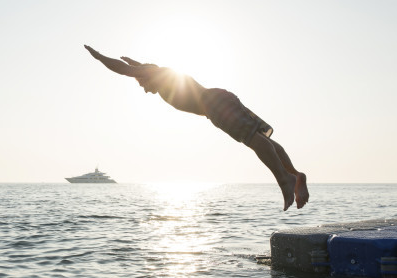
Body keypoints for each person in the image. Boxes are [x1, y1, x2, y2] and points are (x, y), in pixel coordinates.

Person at [84, 45, 309, 211]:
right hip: (219, 98)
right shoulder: (162, 74)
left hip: (213, 105)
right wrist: (135, 63)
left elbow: (124, 69)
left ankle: (284, 180)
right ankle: (296, 175)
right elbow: (138, 68)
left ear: (145, 74)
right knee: (261, 138)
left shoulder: (157, 75)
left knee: (252, 139)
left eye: (141, 82)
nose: (142, 88)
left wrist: (99, 57)